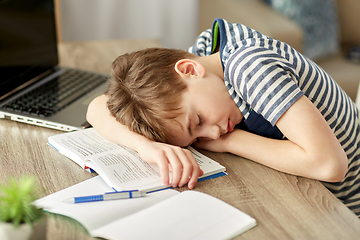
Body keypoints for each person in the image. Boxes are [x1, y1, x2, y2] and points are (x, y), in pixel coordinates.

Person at [86, 18, 360, 217]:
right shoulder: (207, 52)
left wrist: (231, 142)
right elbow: (97, 107)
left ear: (190, 70)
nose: (212, 135)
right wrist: (146, 147)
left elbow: (329, 166)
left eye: (197, 123)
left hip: (346, 211)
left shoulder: (249, 66)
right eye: (197, 138)